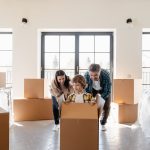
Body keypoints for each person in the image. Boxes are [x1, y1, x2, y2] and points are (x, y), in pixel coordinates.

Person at [84, 64, 111, 131]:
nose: (93, 77)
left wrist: (101, 100)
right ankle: (91, 122)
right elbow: (87, 90)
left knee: (106, 106)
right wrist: (91, 99)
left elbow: (107, 90)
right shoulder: (86, 75)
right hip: (92, 89)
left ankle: (103, 123)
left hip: (103, 89)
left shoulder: (106, 75)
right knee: (90, 104)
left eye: (96, 75)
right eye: (91, 75)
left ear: (100, 72)